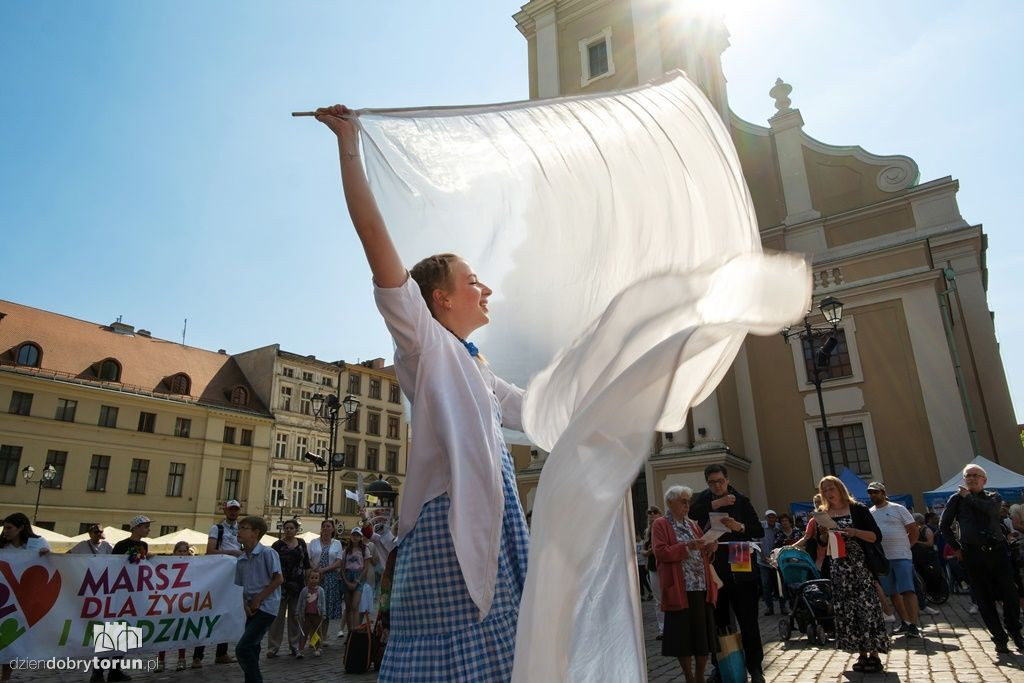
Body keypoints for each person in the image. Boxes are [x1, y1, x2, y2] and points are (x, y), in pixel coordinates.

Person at [316, 104, 530, 680]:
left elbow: (533, 409)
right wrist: (348, 144)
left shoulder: (474, 362)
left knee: (503, 653)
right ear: (438, 299)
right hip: (448, 525)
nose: (484, 288)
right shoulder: (424, 343)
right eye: (471, 281)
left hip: (495, 521)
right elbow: (371, 233)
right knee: (453, 656)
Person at [804, 476, 888, 673]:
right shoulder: (823, 513)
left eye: (830, 488)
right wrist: (823, 535)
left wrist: (854, 532)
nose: (827, 492)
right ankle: (861, 653)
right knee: (848, 611)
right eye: (823, 490)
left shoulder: (858, 509)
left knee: (867, 608)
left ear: (839, 488)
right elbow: (822, 544)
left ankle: (874, 654)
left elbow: (876, 536)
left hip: (860, 567)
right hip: (838, 568)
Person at [689, 464, 764, 683]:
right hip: (716, 569)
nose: (717, 485)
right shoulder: (702, 501)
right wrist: (716, 504)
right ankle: (721, 666)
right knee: (719, 622)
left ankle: (755, 667)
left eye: (720, 481)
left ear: (727, 480)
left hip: (741, 565)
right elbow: (691, 515)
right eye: (712, 482)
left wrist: (739, 527)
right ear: (707, 483)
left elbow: (757, 530)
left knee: (748, 621)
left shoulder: (741, 500)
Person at [939, 463, 1023, 654]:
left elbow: (991, 512)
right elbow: (944, 526)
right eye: (968, 476)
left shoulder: (993, 497)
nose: (971, 478)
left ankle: (1015, 632)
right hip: (973, 553)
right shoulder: (955, 500)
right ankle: (999, 638)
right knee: (984, 599)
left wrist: (968, 497)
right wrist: (956, 548)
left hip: (998, 551)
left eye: (975, 475)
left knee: (1010, 594)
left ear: (984, 480)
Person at [652, 486, 719, 683]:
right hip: (680, 589)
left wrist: (710, 548)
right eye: (682, 501)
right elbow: (661, 552)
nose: (686, 505)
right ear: (670, 503)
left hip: (700, 587)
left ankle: (699, 676)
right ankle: (689, 676)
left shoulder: (693, 525)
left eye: (688, 501)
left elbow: (704, 555)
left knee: (702, 637)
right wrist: (687, 546)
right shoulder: (661, 525)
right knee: (683, 638)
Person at [0, 513, 51, 683]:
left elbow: (50, 567)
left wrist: (47, 555)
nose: (5, 531)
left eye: (9, 528)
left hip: (22, 600)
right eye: (4, 527)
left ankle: (5, 678)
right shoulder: (2, 547)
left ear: (21, 528)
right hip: (3, 596)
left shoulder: (38, 543)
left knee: (11, 641)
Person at [867, 481, 921, 637]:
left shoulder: (898, 509)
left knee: (907, 590)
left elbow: (913, 530)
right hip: (884, 559)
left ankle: (913, 624)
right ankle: (904, 622)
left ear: (883, 493)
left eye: (876, 492)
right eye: (870, 493)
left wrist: (907, 546)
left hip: (901, 555)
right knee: (893, 593)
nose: (873, 495)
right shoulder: (870, 512)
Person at [234, 516, 283, 683]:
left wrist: (259, 599)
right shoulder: (241, 559)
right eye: (239, 528)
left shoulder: (268, 553)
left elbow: (278, 579)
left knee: (243, 648)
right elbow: (241, 587)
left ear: (255, 533)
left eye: (244, 528)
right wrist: (245, 605)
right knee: (252, 650)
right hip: (250, 609)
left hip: (266, 607)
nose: (239, 531)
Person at [205, 500, 243, 666]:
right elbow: (210, 550)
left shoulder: (241, 528)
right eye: (231, 509)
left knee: (228, 611)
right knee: (210, 611)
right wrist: (232, 552)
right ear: (225, 510)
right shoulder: (217, 528)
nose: (233, 512)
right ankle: (198, 656)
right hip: (219, 573)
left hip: (235, 574)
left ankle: (222, 653)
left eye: (236, 510)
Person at [157, 542, 202, 672]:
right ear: (174, 552)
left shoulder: (191, 565)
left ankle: (181, 660)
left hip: (184, 603)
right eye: (179, 551)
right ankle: (160, 661)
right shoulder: (166, 564)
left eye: (184, 551)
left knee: (181, 631)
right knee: (163, 631)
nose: (182, 554)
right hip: (167, 602)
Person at [268, 519, 309, 658]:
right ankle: (273, 647)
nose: (289, 530)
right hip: (281, 585)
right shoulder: (277, 545)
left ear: (296, 530)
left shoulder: (302, 544)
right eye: (286, 528)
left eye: (292, 528)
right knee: (277, 617)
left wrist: (309, 580)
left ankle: (295, 645)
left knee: (295, 616)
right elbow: (271, 563)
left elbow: (306, 563)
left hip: (297, 585)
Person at [307, 519, 343, 640]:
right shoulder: (313, 542)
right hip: (314, 578)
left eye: (328, 526)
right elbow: (308, 558)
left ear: (333, 529)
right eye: (324, 526)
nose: (326, 528)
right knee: (313, 608)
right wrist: (316, 570)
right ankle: (313, 637)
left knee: (325, 608)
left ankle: (322, 637)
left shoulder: (337, 543)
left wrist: (325, 569)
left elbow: (339, 562)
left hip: (330, 579)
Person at [342, 528, 371, 633]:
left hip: (359, 577)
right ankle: (350, 631)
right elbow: (342, 567)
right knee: (348, 607)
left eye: (357, 535)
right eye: (353, 535)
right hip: (348, 576)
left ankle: (355, 630)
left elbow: (366, 568)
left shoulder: (364, 550)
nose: (355, 537)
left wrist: (357, 581)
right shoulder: (346, 550)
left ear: (361, 537)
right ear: (350, 536)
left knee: (355, 606)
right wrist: (346, 581)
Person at [757, 509, 786, 616]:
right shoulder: (760, 527)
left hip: (777, 561)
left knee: (780, 585)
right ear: (766, 518)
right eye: (769, 517)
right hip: (763, 562)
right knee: (766, 586)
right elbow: (757, 543)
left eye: (773, 517)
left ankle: (783, 607)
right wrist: (763, 556)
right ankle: (770, 608)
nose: (771, 519)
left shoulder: (779, 527)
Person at [643, 506, 664, 639]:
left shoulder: (664, 527)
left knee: (669, 597)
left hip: (664, 565)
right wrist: (648, 553)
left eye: (655, 512)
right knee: (658, 600)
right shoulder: (648, 531)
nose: (651, 514)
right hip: (653, 566)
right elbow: (643, 551)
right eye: (649, 513)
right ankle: (662, 629)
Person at [297, 570, 326, 658]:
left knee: (317, 632)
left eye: (316, 578)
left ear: (319, 579)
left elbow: (323, 602)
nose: (314, 580)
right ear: (307, 579)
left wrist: (324, 613)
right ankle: (301, 649)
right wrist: (297, 612)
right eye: (312, 578)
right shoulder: (304, 590)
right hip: (307, 615)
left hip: (317, 615)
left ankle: (318, 648)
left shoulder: (320, 590)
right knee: (304, 632)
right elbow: (300, 601)